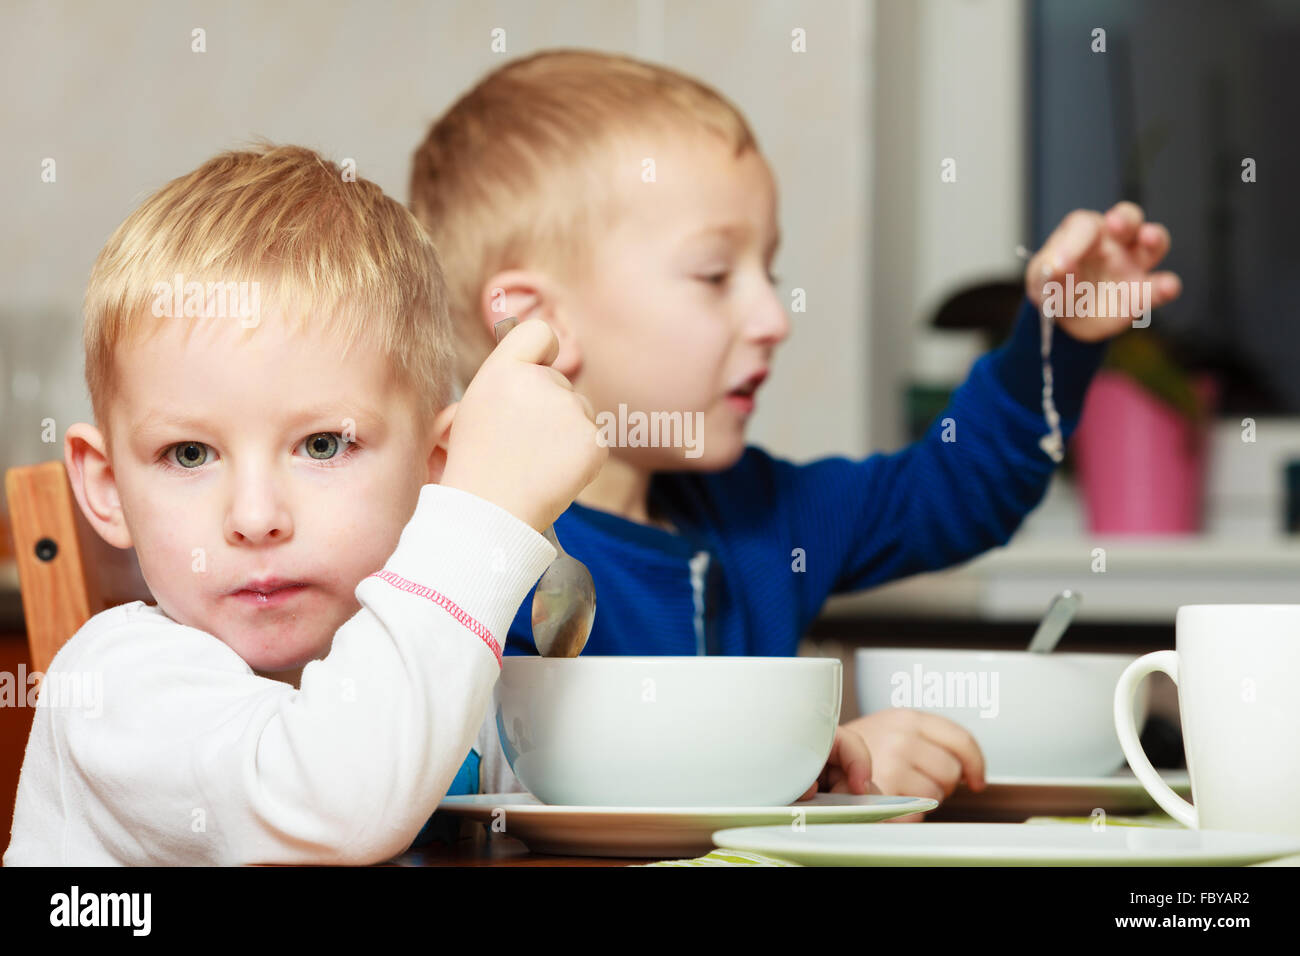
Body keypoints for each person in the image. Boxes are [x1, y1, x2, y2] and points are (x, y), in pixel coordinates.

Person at [408, 49, 1182, 811]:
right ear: (537, 319)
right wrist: (818, 766)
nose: (775, 320)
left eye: (770, 275)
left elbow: (959, 490)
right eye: (715, 276)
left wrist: (1059, 343)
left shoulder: (767, 514)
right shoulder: (450, 555)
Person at [4, 143, 607, 864]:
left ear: (435, 469)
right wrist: (483, 516)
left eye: (323, 446)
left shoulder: (451, 677)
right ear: (107, 488)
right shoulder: (116, 686)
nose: (256, 517)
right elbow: (331, 802)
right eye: (189, 455)